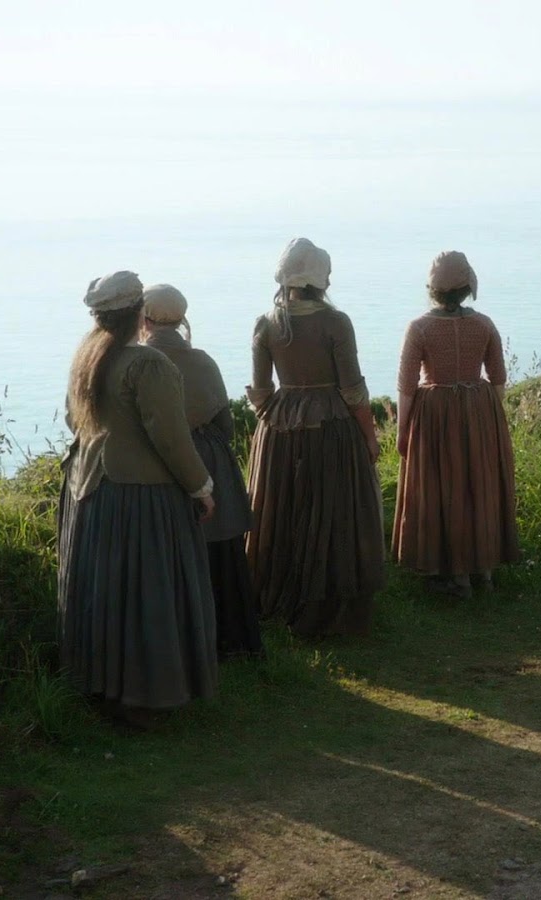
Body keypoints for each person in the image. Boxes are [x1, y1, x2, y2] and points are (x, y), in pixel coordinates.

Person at [56, 270, 219, 722]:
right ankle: (147, 695)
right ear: (140, 313)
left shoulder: (86, 358)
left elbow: (73, 422)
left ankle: (99, 687)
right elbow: (170, 438)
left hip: (89, 493)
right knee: (146, 598)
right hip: (142, 501)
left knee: (105, 595)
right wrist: (201, 487)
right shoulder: (148, 365)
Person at [246, 237, 386, 637]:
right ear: (321, 279)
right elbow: (353, 390)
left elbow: (261, 392)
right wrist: (369, 436)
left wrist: (277, 420)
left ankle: (279, 599)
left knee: (283, 510)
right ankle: (328, 607)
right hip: (332, 428)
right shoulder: (336, 322)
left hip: (280, 428)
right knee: (332, 512)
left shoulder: (266, 323)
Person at [140, 283, 263, 659]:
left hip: (156, 466)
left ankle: (178, 644)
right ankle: (231, 638)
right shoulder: (203, 361)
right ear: (181, 318)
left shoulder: (137, 362)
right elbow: (225, 424)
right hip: (208, 461)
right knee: (219, 552)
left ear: (144, 319)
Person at [393, 251, 521, 596]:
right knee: (478, 486)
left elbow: (406, 387)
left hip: (435, 415)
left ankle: (457, 576)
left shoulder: (419, 328)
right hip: (478, 408)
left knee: (444, 489)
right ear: (467, 288)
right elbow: (498, 380)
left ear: (432, 289)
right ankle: (485, 572)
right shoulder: (485, 325)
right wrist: (488, 417)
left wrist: (403, 432)